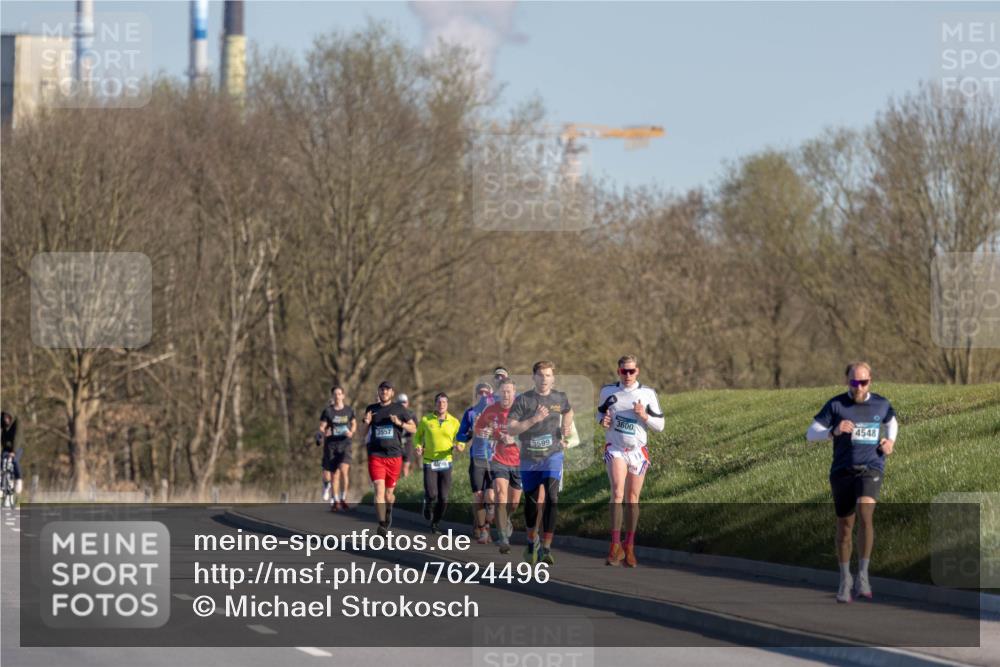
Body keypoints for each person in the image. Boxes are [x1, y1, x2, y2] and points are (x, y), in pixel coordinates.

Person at [806, 361, 898, 603]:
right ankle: (845, 578)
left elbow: (891, 421)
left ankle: (863, 575)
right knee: (845, 528)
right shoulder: (836, 405)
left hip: (871, 467)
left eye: (863, 382)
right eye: (854, 382)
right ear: (847, 381)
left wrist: (890, 442)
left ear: (870, 381)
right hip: (842, 472)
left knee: (865, 513)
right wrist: (833, 431)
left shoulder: (881, 403)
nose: (859, 387)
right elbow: (810, 433)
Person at [597, 355, 665, 568]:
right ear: (618, 371)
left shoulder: (647, 394)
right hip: (616, 448)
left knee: (632, 498)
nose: (627, 375)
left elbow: (660, 426)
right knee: (617, 492)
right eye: (624, 371)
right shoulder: (608, 392)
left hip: (637, 451)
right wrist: (604, 420)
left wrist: (644, 416)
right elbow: (600, 415)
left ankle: (630, 546)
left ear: (638, 371)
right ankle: (615, 545)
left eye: (631, 371)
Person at [507, 361, 574, 565]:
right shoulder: (523, 400)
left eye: (548, 375)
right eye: (540, 375)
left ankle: (546, 547)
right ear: (533, 377)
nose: (544, 379)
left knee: (552, 498)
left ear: (553, 378)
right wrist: (533, 420)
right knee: (532, 503)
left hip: (553, 455)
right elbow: (511, 429)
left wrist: (567, 427)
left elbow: (568, 411)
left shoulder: (560, 397)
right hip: (529, 458)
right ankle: (530, 541)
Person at [363, 381, 417, 536]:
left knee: (388, 495)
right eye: (381, 389)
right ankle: (381, 525)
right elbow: (362, 433)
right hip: (376, 456)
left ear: (392, 393)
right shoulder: (371, 409)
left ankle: (388, 511)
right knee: (379, 490)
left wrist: (399, 423)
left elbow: (414, 427)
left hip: (394, 456)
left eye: (387, 390)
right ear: (378, 392)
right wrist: (366, 423)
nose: (384, 392)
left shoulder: (400, 409)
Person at [475, 377, 521, 554]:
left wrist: (515, 438)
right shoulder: (491, 410)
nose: (506, 394)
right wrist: (485, 432)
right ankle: (503, 537)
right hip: (499, 459)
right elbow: (479, 428)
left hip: (519, 460)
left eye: (509, 391)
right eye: (503, 391)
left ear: (514, 393)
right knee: (501, 496)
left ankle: (507, 518)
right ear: (498, 393)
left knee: (514, 502)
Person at [413, 393, 463, 534]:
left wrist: (460, 445)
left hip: (446, 462)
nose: (441, 405)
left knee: (444, 498)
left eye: (444, 402)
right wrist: (418, 446)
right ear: (435, 404)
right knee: (432, 493)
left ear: (447, 405)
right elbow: (417, 437)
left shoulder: (454, 422)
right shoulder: (426, 420)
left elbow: (461, 438)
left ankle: (435, 523)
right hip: (430, 461)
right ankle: (428, 504)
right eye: (439, 402)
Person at [457, 382, 497, 543]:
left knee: (491, 496)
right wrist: (470, 433)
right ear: (476, 395)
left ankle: (488, 520)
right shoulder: (470, 413)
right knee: (478, 496)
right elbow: (460, 435)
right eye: (480, 393)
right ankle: (482, 529)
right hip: (477, 458)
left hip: (494, 459)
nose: (483, 395)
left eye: (486, 393)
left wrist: (495, 431)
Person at [317, 386, 356, 512]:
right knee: (334, 475)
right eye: (335, 394)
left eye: (339, 394)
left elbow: (354, 423)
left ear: (343, 396)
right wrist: (325, 431)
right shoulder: (328, 411)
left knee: (344, 470)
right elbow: (322, 427)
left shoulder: (349, 410)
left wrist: (351, 432)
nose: (337, 396)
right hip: (331, 445)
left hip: (345, 444)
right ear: (332, 396)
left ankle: (344, 498)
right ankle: (336, 501)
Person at [1, 412, 22, 495]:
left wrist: (13, 451)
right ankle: (2, 486)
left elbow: (17, 437)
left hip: (18, 446)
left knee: (15, 460)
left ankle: (18, 479)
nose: (6, 420)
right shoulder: (2, 422)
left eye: (7, 418)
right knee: (1, 462)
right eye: (4, 418)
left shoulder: (17, 423)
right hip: (7, 447)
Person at [398, 394, 418, 478]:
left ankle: (406, 482)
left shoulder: (412, 414)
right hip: (396, 441)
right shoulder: (394, 414)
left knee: (406, 465)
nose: (403, 404)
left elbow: (416, 429)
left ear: (408, 403)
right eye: (400, 402)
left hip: (408, 440)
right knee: (397, 465)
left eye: (404, 402)